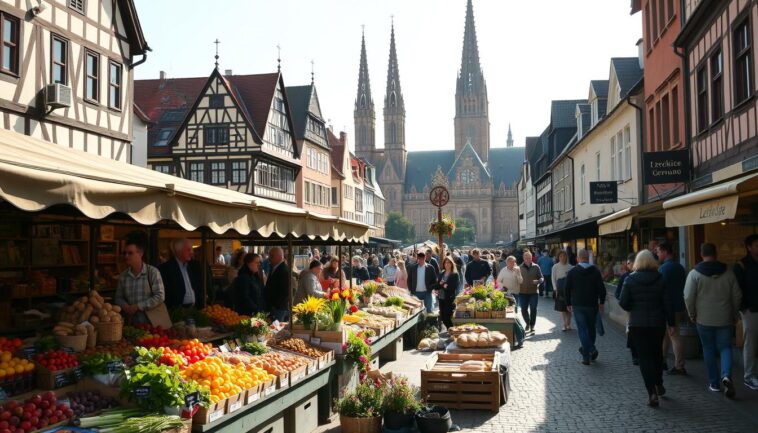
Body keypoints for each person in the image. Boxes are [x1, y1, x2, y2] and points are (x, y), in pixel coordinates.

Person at [684, 243, 742, 398]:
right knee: (725, 348)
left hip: (703, 318)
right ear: (716, 253)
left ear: (701, 254)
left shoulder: (694, 274)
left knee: (708, 349)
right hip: (725, 318)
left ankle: (714, 383)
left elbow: (688, 296)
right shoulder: (728, 272)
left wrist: (692, 314)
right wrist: (734, 313)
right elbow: (737, 295)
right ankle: (726, 375)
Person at [619, 250, 675, 407]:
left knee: (644, 358)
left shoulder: (630, 279)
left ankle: (651, 392)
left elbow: (623, 302)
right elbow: (667, 304)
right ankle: (658, 382)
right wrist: (671, 323)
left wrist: (634, 307)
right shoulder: (660, 278)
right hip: (657, 324)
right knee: (656, 354)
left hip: (638, 324)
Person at [565, 248, 606, 365]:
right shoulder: (595, 271)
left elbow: (567, 288)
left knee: (582, 329)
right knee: (591, 328)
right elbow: (602, 289)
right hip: (592, 304)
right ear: (588, 258)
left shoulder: (572, 272)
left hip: (578, 304)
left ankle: (588, 354)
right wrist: (601, 302)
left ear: (578, 258)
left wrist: (568, 303)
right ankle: (589, 352)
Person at [115, 232, 165, 325]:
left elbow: (160, 296)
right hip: (130, 323)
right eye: (125, 253)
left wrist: (138, 306)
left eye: (130, 253)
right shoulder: (123, 276)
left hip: (151, 324)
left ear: (140, 254)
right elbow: (118, 297)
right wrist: (125, 306)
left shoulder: (152, 272)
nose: (126, 256)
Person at [657, 242, 688, 375]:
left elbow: (660, 290)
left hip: (669, 308)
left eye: (658, 252)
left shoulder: (663, 269)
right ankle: (662, 360)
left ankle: (679, 365)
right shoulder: (680, 267)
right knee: (666, 335)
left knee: (674, 335)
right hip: (679, 305)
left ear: (665, 252)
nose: (657, 254)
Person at [734, 234, 758, 391]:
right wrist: (743, 308)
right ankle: (749, 376)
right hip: (751, 310)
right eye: (757, 245)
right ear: (749, 247)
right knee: (751, 343)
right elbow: (737, 289)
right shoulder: (741, 265)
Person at [160, 238, 206, 309]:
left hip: (195, 309)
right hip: (176, 311)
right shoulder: (166, 269)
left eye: (191, 249)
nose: (191, 252)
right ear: (179, 251)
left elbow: (199, 288)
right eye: (188, 250)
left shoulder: (195, 266)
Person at [616, 253, 639, 364]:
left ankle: (636, 354)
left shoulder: (628, 276)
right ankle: (635, 354)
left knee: (632, 330)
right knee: (632, 330)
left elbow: (617, 294)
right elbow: (618, 293)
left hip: (633, 310)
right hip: (631, 310)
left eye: (628, 263)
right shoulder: (625, 277)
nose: (627, 265)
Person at [519, 252, 544, 333]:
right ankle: (528, 322)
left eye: (529, 257)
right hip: (522, 292)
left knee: (533, 309)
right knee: (523, 309)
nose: (527, 259)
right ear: (523, 258)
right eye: (526, 258)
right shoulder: (519, 268)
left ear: (531, 258)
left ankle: (532, 325)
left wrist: (538, 281)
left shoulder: (536, 267)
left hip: (533, 292)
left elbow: (541, 278)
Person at [265, 247, 291, 322]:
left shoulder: (283, 270)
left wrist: (274, 306)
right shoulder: (274, 267)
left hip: (279, 308)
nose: (269, 258)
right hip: (276, 308)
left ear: (279, 256)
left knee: (277, 331)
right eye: (270, 256)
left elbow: (285, 291)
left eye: (272, 256)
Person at [552, 251, 574, 331]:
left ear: (566, 257)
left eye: (564, 256)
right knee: (562, 308)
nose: (562, 258)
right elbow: (553, 278)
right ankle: (564, 324)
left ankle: (568, 323)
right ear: (558, 257)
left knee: (569, 307)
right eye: (561, 256)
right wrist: (555, 289)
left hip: (569, 289)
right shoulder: (555, 266)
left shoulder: (571, 267)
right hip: (560, 288)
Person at [438, 257, 460, 329]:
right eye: (445, 262)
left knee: (447, 317)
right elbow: (439, 284)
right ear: (444, 264)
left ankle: (452, 331)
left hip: (449, 298)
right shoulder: (442, 273)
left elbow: (453, 287)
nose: (447, 264)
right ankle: (451, 331)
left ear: (451, 264)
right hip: (441, 298)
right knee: (442, 317)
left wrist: (444, 284)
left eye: (448, 262)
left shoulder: (454, 274)